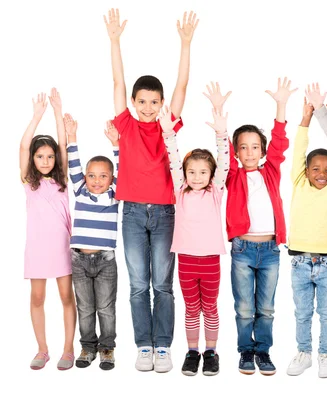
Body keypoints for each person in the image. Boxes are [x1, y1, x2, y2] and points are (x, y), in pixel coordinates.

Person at [103, 8, 198, 372]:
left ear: (161, 105)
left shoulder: (167, 128)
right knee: (139, 285)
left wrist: (185, 44)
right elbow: (116, 83)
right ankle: (144, 345)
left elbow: (182, 87)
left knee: (162, 284)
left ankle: (164, 348)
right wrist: (114, 41)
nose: (147, 107)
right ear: (133, 103)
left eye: (153, 102)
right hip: (131, 213)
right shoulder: (125, 123)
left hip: (164, 212)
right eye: (141, 101)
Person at [210, 77, 296, 375]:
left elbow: (280, 143)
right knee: (244, 308)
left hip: (271, 248)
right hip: (243, 249)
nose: (249, 152)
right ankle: (246, 351)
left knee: (267, 309)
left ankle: (264, 352)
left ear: (262, 151)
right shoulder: (232, 175)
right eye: (243, 147)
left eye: (255, 147)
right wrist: (221, 124)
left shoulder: (270, 170)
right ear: (236, 152)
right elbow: (222, 157)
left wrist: (281, 105)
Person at [285, 84, 327, 378]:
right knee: (302, 314)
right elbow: (299, 151)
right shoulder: (299, 182)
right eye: (316, 168)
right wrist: (306, 118)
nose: (322, 174)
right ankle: (304, 353)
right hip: (299, 262)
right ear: (306, 171)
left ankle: (325, 354)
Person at [160, 93, 229, 377]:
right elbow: (173, 159)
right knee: (191, 308)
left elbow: (224, 162)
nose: (197, 176)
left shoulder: (215, 192)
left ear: (211, 175)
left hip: (210, 259)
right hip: (187, 260)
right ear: (185, 174)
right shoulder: (181, 191)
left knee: (210, 308)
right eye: (192, 172)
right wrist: (168, 134)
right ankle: (192, 352)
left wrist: (222, 133)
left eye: (203, 172)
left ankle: (211, 352)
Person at [20, 89, 76, 371]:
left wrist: (57, 112)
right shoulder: (29, 182)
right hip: (37, 250)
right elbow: (22, 148)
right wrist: (36, 116)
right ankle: (42, 349)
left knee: (67, 297)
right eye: (40, 156)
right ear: (33, 159)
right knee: (38, 298)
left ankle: (69, 349)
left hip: (61, 248)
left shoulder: (62, 179)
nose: (45, 161)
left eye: (49, 156)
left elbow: (64, 147)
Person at [65, 114, 120, 371]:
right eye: (91, 176)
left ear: (111, 179)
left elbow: (123, 169)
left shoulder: (115, 195)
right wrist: (72, 137)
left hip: (106, 260)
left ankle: (107, 349)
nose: (96, 181)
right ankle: (88, 347)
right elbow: (74, 165)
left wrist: (116, 145)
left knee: (106, 308)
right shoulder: (80, 190)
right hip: (78, 259)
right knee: (85, 307)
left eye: (103, 176)